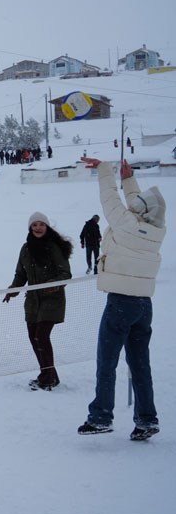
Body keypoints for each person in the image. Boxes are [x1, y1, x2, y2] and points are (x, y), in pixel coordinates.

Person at [77, 158, 166, 440]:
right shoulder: (155, 230)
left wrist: (105, 170)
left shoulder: (127, 224)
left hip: (120, 304)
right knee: (140, 365)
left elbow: (110, 200)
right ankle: (146, 420)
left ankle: (101, 416)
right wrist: (129, 181)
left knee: (107, 363)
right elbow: (139, 205)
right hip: (144, 306)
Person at [2, 212, 72, 391]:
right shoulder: (26, 249)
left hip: (51, 300)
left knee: (41, 336)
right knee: (34, 338)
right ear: (30, 228)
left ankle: (47, 378)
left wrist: (54, 283)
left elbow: (65, 273)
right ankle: (50, 375)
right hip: (33, 301)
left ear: (47, 227)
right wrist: (14, 289)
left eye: (42, 224)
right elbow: (21, 274)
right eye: (35, 225)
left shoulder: (53, 247)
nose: (38, 228)